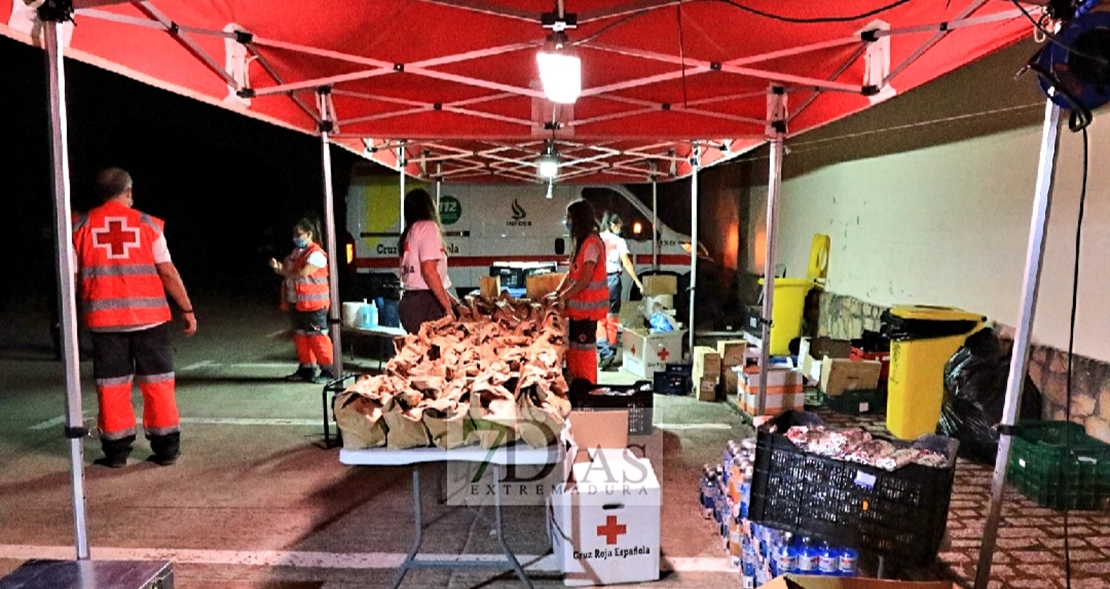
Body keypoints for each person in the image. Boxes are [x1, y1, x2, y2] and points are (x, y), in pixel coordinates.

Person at [72, 167, 197, 468]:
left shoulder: (80, 227)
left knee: (112, 386)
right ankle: (166, 449)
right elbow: (167, 271)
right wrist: (187, 309)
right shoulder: (147, 224)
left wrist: (74, 319)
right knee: (158, 384)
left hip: (104, 324)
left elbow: (71, 278)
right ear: (128, 192)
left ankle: (116, 451)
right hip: (150, 320)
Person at [268, 218, 335, 384]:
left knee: (318, 338)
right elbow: (289, 271)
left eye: (299, 234)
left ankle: (329, 370)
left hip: (314, 306)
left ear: (309, 234)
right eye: (294, 234)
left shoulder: (317, 254)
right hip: (297, 303)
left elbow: (302, 273)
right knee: (301, 338)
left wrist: (281, 270)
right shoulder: (296, 253)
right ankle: (306, 369)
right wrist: (279, 268)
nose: (295, 238)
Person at [548, 199, 608, 386]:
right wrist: (557, 292)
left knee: (584, 353)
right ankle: (577, 384)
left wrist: (563, 296)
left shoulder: (591, 244)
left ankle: (587, 388)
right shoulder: (581, 243)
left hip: (587, 313)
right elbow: (573, 272)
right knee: (574, 352)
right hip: (578, 313)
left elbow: (584, 280)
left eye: (570, 218)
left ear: (579, 219)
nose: (567, 222)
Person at [398, 188, 457, 333]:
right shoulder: (428, 228)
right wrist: (448, 309)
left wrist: (454, 302)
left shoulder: (410, 232)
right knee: (433, 351)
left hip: (411, 303)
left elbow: (420, 278)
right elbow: (429, 272)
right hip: (425, 305)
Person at [598, 212, 643, 369]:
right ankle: (610, 352)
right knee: (612, 317)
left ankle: (604, 352)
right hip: (613, 281)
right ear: (612, 225)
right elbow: (627, 263)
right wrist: (638, 282)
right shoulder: (619, 242)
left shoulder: (597, 239)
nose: (620, 229)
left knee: (599, 318)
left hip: (598, 281)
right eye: (619, 226)